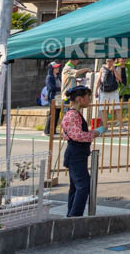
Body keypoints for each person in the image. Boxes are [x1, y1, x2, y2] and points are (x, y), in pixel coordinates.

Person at [61, 85, 105, 216]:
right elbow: (78, 135)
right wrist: (95, 133)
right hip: (76, 154)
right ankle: (75, 216)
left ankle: (71, 215)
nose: (89, 100)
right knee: (83, 186)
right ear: (79, 99)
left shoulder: (74, 114)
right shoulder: (73, 115)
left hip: (76, 153)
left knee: (76, 187)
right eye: (87, 97)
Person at [43, 61, 62, 135]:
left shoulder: (58, 76)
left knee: (57, 114)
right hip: (53, 98)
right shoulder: (49, 77)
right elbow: (51, 87)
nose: (57, 69)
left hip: (59, 98)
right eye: (55, 68)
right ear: (52, 69)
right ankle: (47, 131)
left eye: (57, 67)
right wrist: (61, 88)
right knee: (52, 114)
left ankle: (53, 130)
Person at [117, 58, 130, 122]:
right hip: (119, 88)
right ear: (118, 59)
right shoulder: (116, 66)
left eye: (125, 58)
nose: (123, 60)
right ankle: (117, 119)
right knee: (116, 103)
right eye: (122, 58)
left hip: (128, 88)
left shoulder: (128, 66)